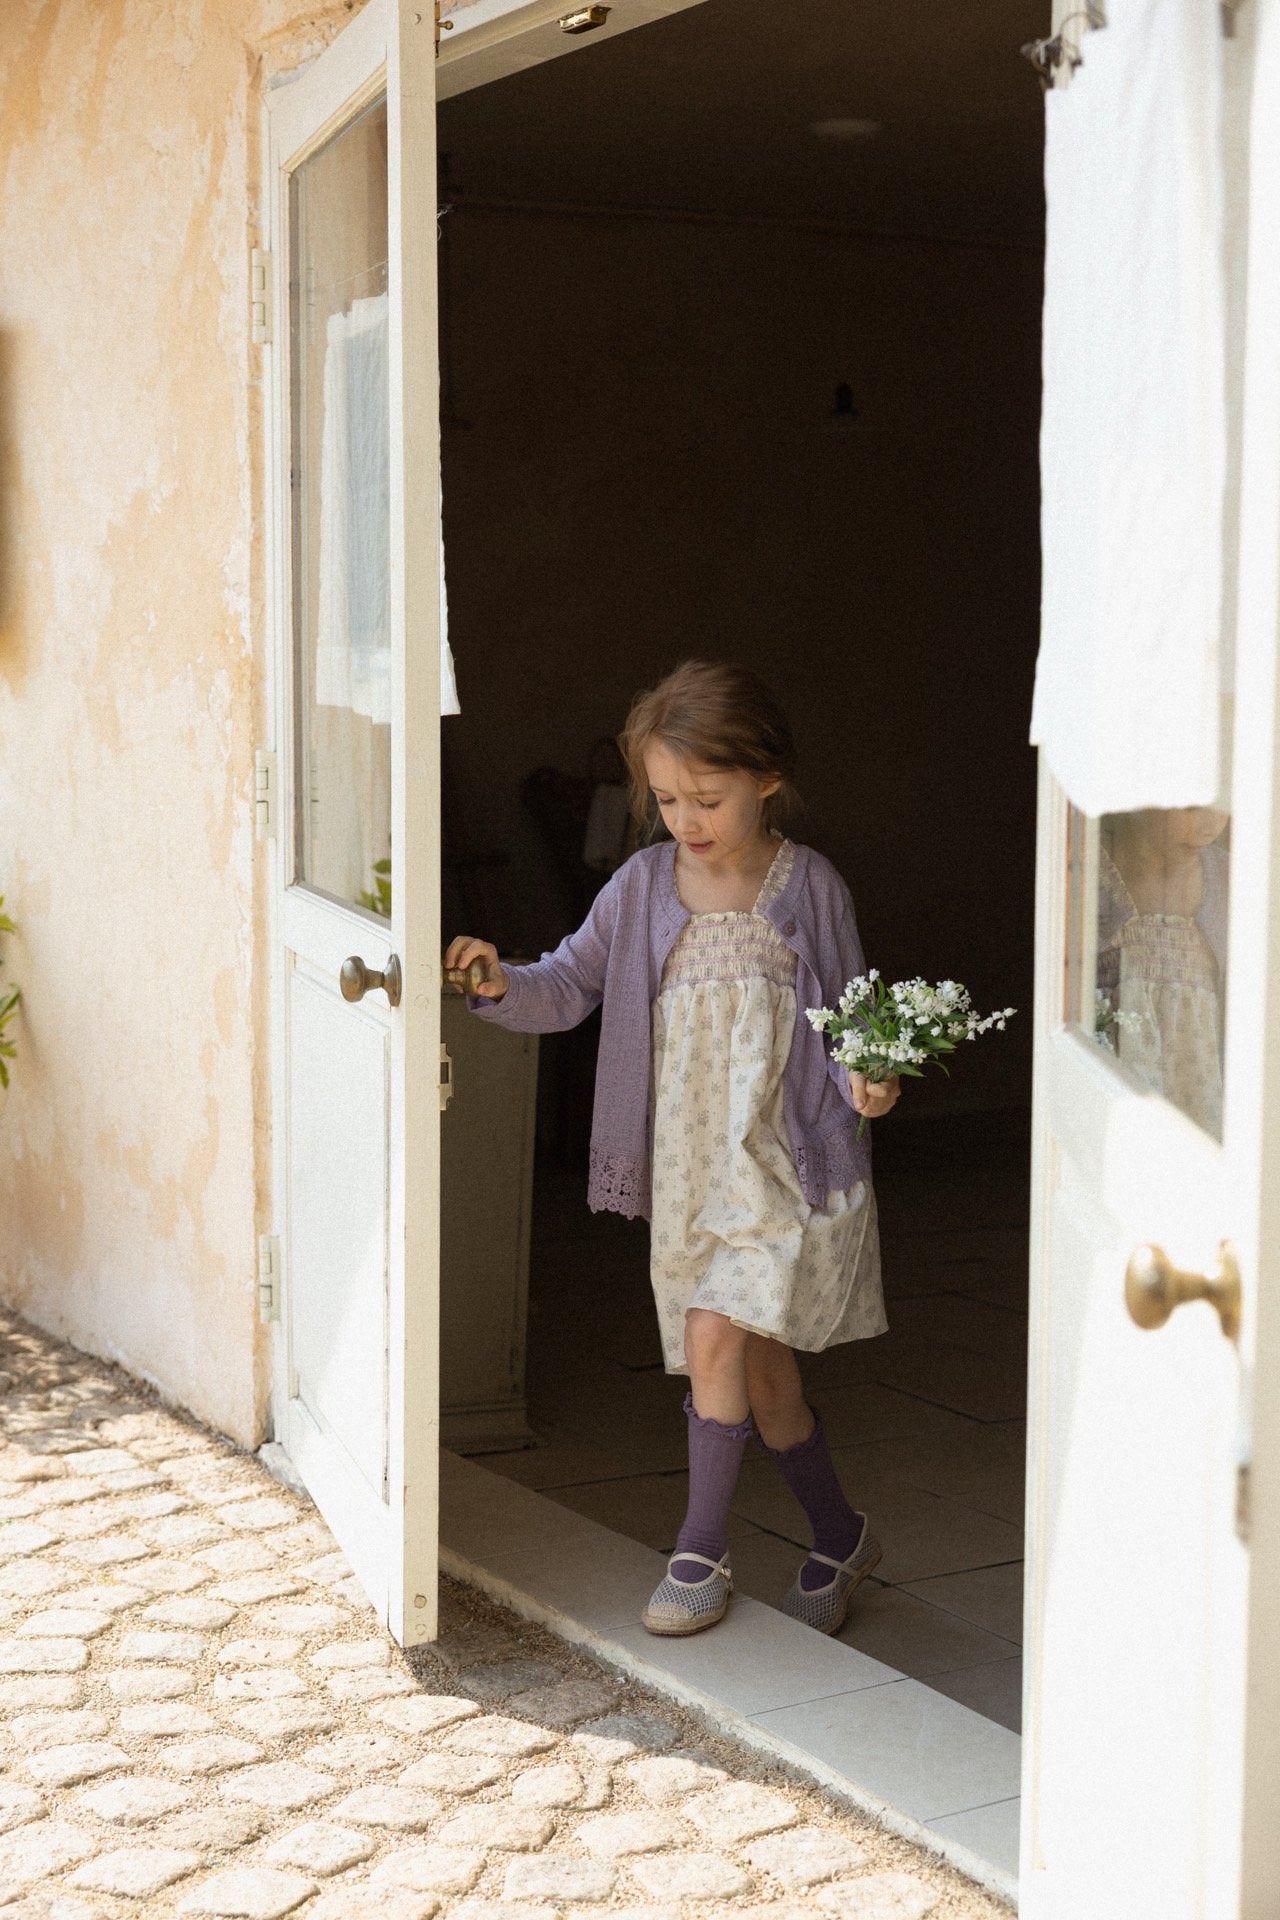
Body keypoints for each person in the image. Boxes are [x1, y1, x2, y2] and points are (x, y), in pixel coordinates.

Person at [445, 660, 897, 1637]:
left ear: (767, 777)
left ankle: (697, 1552)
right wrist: (493, 984)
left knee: (710, 1338)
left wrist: (872, 1077)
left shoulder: (809, 887)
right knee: (760, 1376)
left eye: (707, 797)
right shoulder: (642, 886)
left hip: (781, 1166)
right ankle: (839, 1532)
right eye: (662, 799)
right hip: (693, 1172)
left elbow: (855, 1020)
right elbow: (564, 985)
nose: (684, 819)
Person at [1097, 806, 1230, 1138]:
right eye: (1191, 808)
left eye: (1223, 803)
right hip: (1110, 1102)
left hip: (1202, 1110)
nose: (1210, 824)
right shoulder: (1087, 874)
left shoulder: (1233, 879)